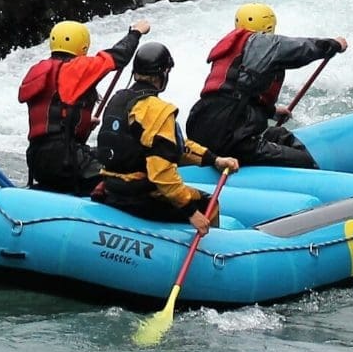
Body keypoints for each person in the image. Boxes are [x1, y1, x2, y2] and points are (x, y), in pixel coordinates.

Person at [91, 41, 240, 228]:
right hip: (139, 197)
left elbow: (172, 146)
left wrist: (214, 159)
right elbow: (161, 173)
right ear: (162, 74)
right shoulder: (157, 109)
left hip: (112, 189)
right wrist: (190, 211)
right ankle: (212, 253)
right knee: (209, 204)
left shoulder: (117, 99)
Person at [187, 3, 350, 169]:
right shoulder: (261, 42)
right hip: (231, 139)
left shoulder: (236, 49)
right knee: (303, 162)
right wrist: (333, 44)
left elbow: (236, 94)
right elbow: (298, 49)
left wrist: (272, 112)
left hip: (202, 128)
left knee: (279, 134)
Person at [17, 18, 148, 193]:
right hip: (64, 160)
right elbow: (117, 57)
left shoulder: (39, 70)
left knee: (102, 155)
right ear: (83, 46)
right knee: (123, 173)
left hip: (36, 159)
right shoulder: (76, 68)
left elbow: (55, 112)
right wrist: (135, 33)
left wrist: (84, 123)